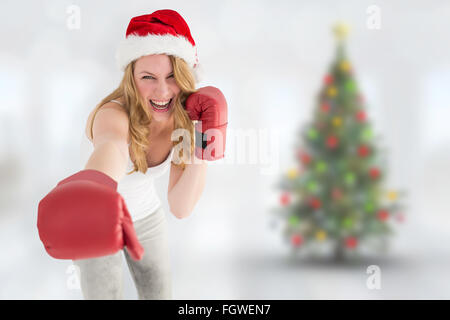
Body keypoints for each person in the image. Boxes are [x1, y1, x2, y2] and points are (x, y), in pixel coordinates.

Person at [37, 9, 227, 300]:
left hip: (147, 216)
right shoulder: (113, 113)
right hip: (99, 217)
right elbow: (111, 147)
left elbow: (180, 207)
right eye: (148, 77)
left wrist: (202, 144)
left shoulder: (185, 119)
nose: (162, 90)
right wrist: (93, 191)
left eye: (172, 76)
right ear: (131, 77)